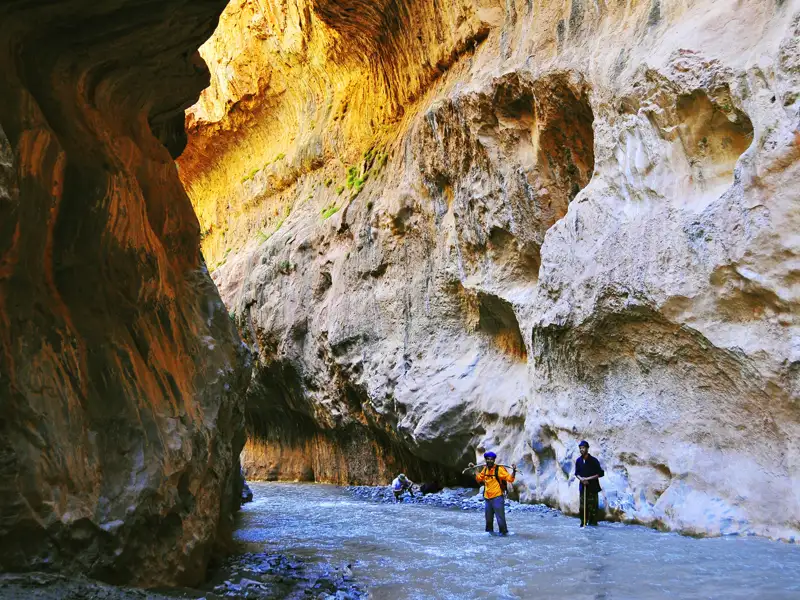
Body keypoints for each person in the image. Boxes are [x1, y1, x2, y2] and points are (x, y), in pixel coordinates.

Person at [470, 452, 516, 535]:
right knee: (488, 519)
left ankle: (503, 534)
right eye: (488, 459)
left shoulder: (499, 469)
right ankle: (489, 535)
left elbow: (510, 479)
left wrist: (514, 472)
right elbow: (479, 478)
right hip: (487, 498)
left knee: (500, 519)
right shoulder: (485, 469)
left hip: (497, 497)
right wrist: (474, 469)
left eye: (491, 459)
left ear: (494, 460)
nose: (489, 461)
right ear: (486, 460)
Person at [574, 440, 604, 527]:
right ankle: (583, 522)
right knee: (583, 506)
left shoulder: (594, 461)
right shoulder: (578, 461)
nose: (581, 450)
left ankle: (593, 524)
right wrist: (582, 479)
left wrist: (587, 479)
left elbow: (600, 474)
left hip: (593, 488)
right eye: (580, 448)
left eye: (583, 448)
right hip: (583, 487)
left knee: (593, 507)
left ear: (587, 448)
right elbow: (577, 473)